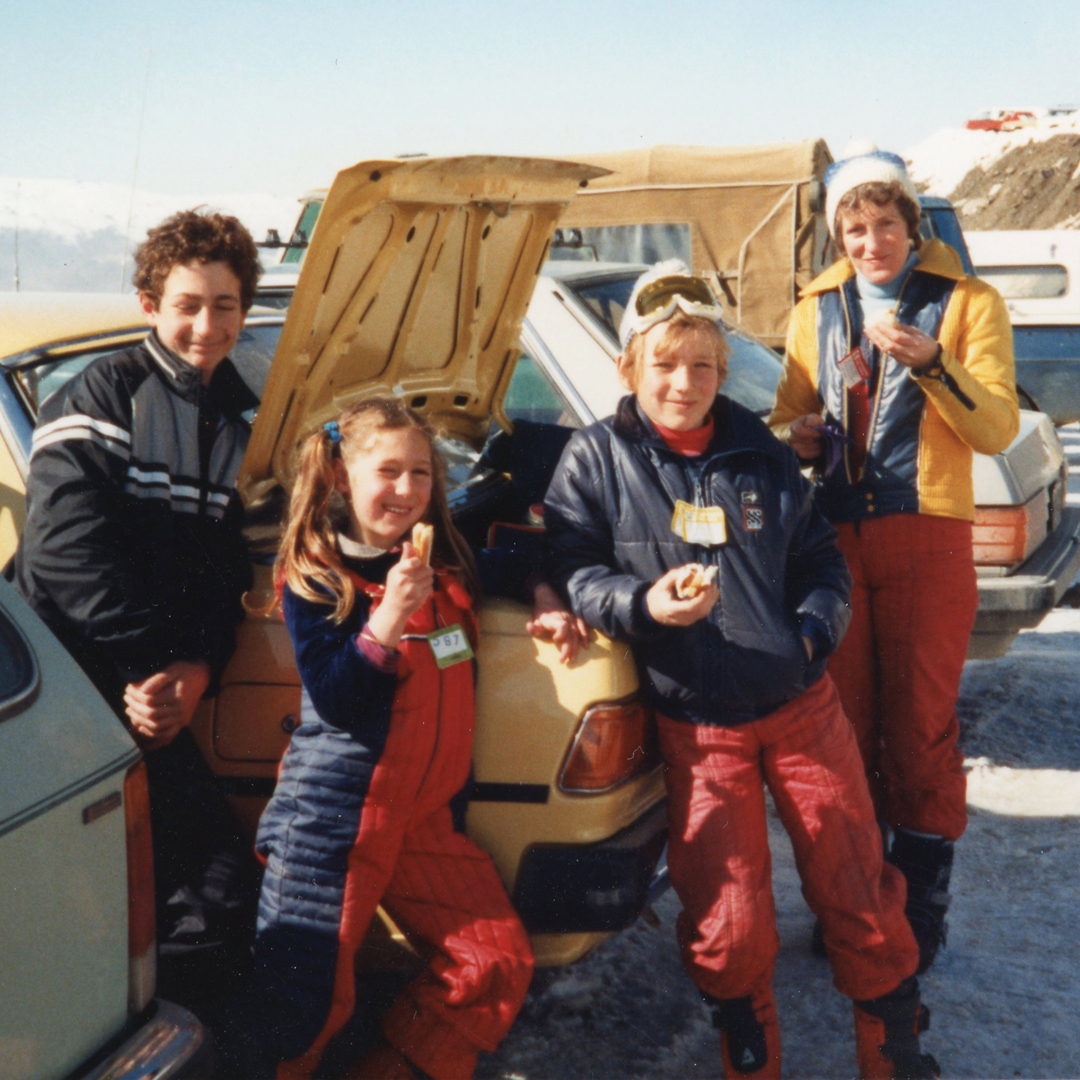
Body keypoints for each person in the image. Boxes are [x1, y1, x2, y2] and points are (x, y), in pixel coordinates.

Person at [544, 261, 937, 1080]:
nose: (683, 382)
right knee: (730, 917)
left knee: (857, 883)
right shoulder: (595, 458)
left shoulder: (761, 453)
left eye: (702, 366)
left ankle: (893, 1050)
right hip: (701, 728)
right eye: (664, 364)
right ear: (629, 367)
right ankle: (750, 1056)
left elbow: (822, 564)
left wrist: (809, 637)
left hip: (801, 708)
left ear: (723, 372)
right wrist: (645, 604)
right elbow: (574, 568)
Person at [242, 397, 559, 1080]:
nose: (408, 490)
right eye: (388, 471)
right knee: (304, 1007)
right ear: (340, 477)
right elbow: (337, 696)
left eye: (421, 473)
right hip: (336, 818)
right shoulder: (317, 574)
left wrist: (544, 591)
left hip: (424, 819)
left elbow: (515, 559)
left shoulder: (443, 562)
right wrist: (387, 617)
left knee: (495, 964)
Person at [769, 143, 1019, 973]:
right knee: (845, 726)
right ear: (837, 235)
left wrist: (933, 362)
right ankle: (861, 901)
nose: (869, 241)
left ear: (913, 226)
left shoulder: (967, 302)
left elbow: (996, 429)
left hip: (928, 529)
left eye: (884, 224)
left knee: (919, 727)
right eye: (854, 227)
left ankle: (922, 905)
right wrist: (797, 437)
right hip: (835, 536)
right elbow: (788, 421)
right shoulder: (816, 307)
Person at [10, 208, 263, 952]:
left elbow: (224, 568)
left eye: (224, 306)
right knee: (158, 893)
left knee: (203, 884)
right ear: (151, 306)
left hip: (146, 681)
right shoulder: (104, 395)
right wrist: (160, 662)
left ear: (243, 309)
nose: (206, 326)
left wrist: (199, 665)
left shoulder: (235, 419)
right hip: (58, 686)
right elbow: (63, 555)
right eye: (187, 305)